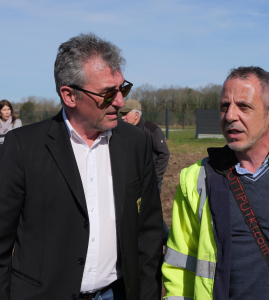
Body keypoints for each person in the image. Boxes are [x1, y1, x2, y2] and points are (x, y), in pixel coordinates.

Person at [0, 33, 163, 300]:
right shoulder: (23, 146)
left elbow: (149, 233)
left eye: (123, 89)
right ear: (69, 95)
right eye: (108, 93)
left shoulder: (135, 142)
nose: (120, 102)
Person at [162, 66, 269, 300]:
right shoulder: (196, 178)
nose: (229, 116)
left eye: (243, 106)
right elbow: (180, 267)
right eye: (224, 106)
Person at [120, 99, 170, 244]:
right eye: (121, 114)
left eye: (125, 114)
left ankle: (166, 239)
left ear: (136, 115)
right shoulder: (124, 131)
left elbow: (164, 154)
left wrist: (154, 177)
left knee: (149, 211)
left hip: (151, 181)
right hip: (132, 180)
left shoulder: (152, 130)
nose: (122, 117)